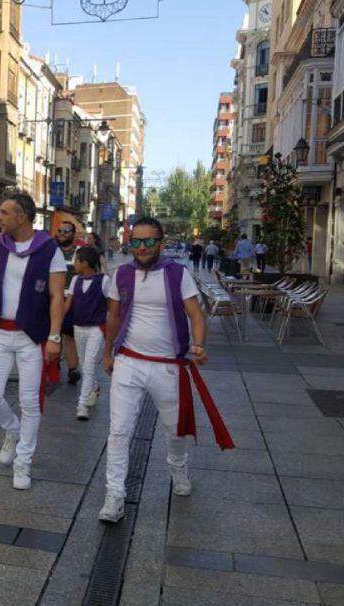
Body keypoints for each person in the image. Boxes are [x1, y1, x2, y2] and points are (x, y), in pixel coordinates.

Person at [99, 217, 233, 523]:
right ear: (128, 243)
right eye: (135, 242)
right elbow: (114, 318)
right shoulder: (121, 275)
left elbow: (196, 315)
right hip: (129, 362)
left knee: (174, 430)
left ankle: (178, 467)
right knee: (119, 432)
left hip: (168, 366)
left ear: (162, 242)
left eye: (148, 242)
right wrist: (108, 354)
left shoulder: (177, 274)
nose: (142, 248)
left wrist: (198, 346)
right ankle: (114, 497)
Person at [0, 193, 65, 490]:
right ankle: (12, 429)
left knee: (29, 401)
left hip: (31, 336)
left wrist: (54, 337)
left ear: (22, 216)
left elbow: (57, 296)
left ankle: (23, 461)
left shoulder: (49, 249)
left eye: (4, 212)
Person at [63, 247, 110, 421]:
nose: (74, 263)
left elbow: (112, 306)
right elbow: (68, 304)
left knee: (89, 363)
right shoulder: (75, 280)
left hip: (96, 329)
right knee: (84, 363)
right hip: (78, 327)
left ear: (85, 263)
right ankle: (94, 387)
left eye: (76, 260)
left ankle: (81, 405)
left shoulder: (104, 281)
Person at [55, 221, 82, 385]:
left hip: (72, 299)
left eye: (66, 231)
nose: (62, 233)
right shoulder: (51, 251)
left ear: (73, 234)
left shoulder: (80, 253)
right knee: (53, 333)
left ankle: (73, 369)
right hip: (52, 298)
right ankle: (54, 363)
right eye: (60, 230)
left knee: (68, 335)